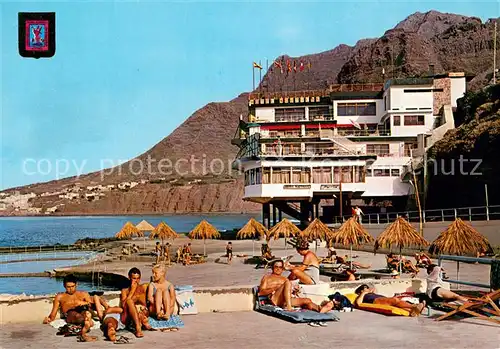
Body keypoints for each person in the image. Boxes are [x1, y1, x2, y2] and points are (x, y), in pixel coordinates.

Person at [258, 259, 334, 312]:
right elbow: (261, 292)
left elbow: (288, 290)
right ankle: (289, 307)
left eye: (280, 267)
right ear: (272, 268)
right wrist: (274, 289)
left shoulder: (284, 278)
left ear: (282, 269)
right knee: (288, 282)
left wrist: (295, 291)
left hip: (285, 300)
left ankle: (319, 308)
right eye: (276, 267)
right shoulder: (267, 277)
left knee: (307, 300)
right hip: (275, 299)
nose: (278, 269)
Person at [43, 274, 97, 342]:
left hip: (82, 310)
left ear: (76, 284)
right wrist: (48, 319)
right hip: (70, 314)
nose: (71, 289)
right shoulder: (60, 297)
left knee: (86, 313)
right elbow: (53, 313)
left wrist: (83, 303)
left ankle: (86, 324)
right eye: (68, 287)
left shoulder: (83, 294)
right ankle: (87, 324)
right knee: (77, 316)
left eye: (72, 286)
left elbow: (91, 305)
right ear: (64, 286)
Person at [354, 284, 426, 317]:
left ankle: (412, 312)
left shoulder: (370, 293)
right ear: (360, 291)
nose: (368, 288)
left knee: (398, 304)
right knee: (395, 300)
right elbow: (358, 303)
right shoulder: (362, 295)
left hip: (382, 299)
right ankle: (414, 306)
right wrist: (363, 293)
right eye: (365, 287)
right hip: (375, 300)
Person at [120, 267, 152, 338]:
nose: (136, 281)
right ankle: (138, 328)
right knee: (129, 301)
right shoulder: (125, 290)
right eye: (134, 278)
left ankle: (139, 325)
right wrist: (132, 291)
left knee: (140, 310)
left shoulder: (143, 287)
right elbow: (123, 305)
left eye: (138, 278)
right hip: (128, 316)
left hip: (142, 313)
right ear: (129, 278)